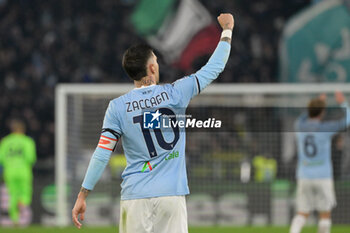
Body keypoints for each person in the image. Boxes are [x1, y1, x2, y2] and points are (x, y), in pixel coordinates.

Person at [71, 13, 233, 233]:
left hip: (135, 197)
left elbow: (102, 153)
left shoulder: (117, 107)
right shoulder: (177, 92)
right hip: (171, 196)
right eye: (156, 59)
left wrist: (83, 194)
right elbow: (215, 67)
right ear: (152, 68)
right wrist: (227, 30)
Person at [290, 91, 350, 233]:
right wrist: (343, 103)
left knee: (301, 214)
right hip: (323, 176)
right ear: (322, 113)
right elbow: (347, 120)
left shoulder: (299, 125)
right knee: (325, 214)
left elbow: (306, 116)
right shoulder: (326, 128)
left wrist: (316, 103)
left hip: (304, 176)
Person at [0, 119, 36, 225]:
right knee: (25, 192)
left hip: (10, 172)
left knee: (13, 194)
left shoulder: (6, 141)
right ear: (23, 130)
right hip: (24, 171)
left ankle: (14, 218)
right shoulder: (28, 141)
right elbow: (31, 158)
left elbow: (1, 158)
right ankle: (22, 204)